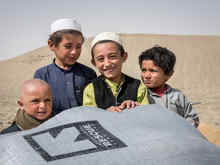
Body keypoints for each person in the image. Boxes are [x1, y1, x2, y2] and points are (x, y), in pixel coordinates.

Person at [34, 18, 97, 115]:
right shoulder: (42, 75)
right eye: (68, 46)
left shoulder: (88, 73)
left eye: (78, 47)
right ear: (52, 45)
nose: (74, 52)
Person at [83, 32, 149, 112]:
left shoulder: (138, 87)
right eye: (100, 59)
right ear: (94, 63)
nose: (107, 64)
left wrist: (135, 107)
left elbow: (146, 114)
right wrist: (104, 113)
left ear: (124, 57)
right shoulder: (91, 89)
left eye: (112, 56)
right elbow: (89, 117)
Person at [138, 46, 199, 127]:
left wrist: (181, 127)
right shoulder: (139, 94)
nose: (146, 76)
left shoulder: (177, 96)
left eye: (152, 71)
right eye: (143, 70)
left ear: (168, 74)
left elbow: (193, 118)